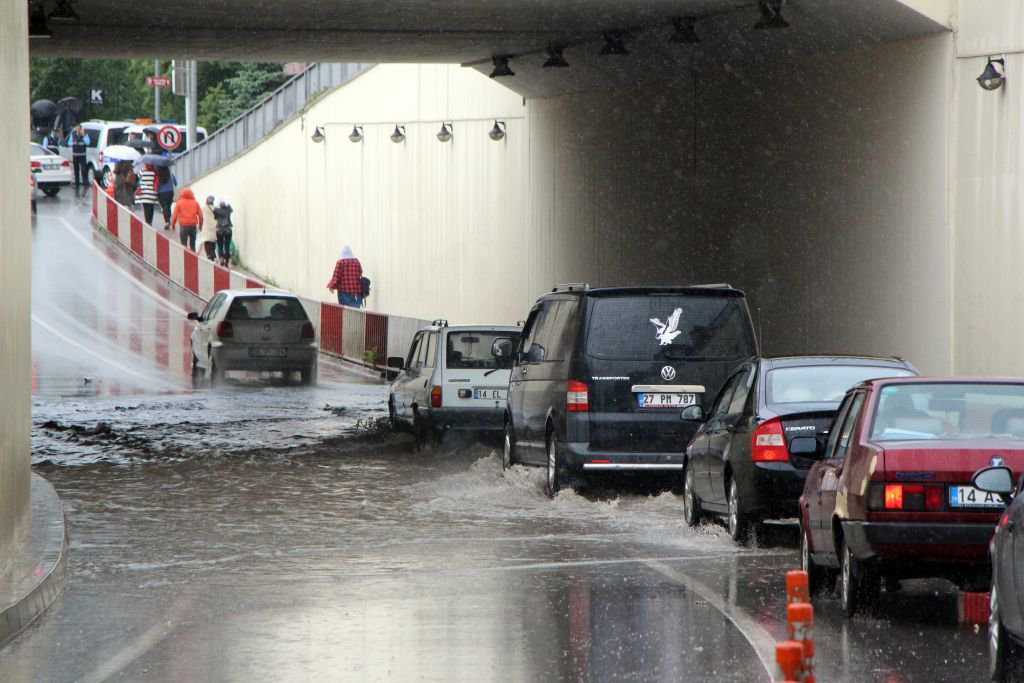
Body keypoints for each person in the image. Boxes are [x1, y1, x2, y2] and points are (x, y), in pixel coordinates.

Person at [66, 124, 90, 190]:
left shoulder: (85, 134)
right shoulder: (73, 134)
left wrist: (84, 135)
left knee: (83, 170)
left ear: (81, 129)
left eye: (79, 129)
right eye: (77, 128)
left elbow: (88, 142)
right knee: (76, 170)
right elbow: (69, 143)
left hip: (82, 155)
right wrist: (74, 143)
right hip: (75, 155)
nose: (78, 130)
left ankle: (85, 183)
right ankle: (77, 184)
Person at [213, 197, 234, 267]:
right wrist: (227, 204)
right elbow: (231, 210)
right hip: (228, 229)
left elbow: (215, 217)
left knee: (220, 245)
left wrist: (217, 206)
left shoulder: (216, 210)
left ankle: (221, 258)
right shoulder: (228, 209)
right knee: (227, 246)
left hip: (219, 230)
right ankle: (227, 261)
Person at [200, 196, 218, 261]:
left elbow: (200, 216)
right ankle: (212, 254)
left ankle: (208, 254)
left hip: (206, 227)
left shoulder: (204, 208)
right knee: (212, 242)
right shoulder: (216, 209)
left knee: (207, 241)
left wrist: (200, 225)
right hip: (214, 227)